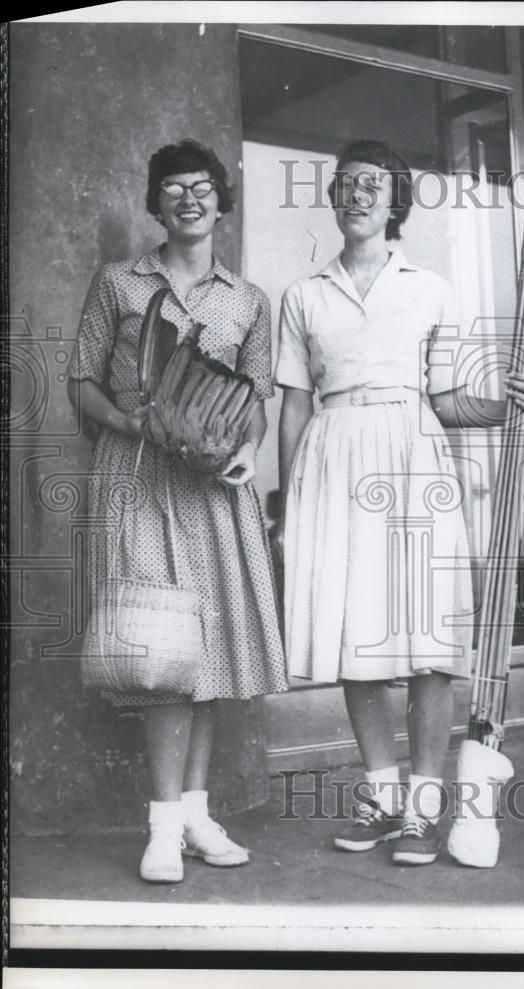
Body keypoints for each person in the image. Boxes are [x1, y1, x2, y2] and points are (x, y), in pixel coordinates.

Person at [275, 139, 524, 866]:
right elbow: (295, 407)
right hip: (333, 463)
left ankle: (425, 808)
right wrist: (287, 502)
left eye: (373, 185)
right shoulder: (304, 295)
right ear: (333, 199)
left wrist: (509, 404)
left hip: (412, 453)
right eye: (346, 184)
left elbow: (450, 399)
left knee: (427, 638)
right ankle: (383, 798)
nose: (358, 195)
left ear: (396, 202)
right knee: (355, 636)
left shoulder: (429, 287)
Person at [67, 139, 287, 883]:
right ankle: (162, 827)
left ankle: (195, 811)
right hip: (136, 476)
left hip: (213, 488)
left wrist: (250, 452)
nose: (189, 199)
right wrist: (136, 423)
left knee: (211, 650)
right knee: (160, 649)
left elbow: (256, 400)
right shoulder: (118, 282)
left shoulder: (249, 300)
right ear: (155, 203)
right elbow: (80, 385)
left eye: (202, 188)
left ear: (221, 203)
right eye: (173, 189)